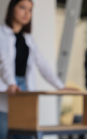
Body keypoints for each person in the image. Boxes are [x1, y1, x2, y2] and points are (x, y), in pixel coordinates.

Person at [0, 0, 69, 138]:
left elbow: (42, 64)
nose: (27, 13)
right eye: (22, 8)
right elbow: (4, 61)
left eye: (30, 10)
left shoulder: (28, 39)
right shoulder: (1, 34)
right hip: (6, 88)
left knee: (29, 133)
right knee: (4, 132)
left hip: (24, 89)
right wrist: (11, 83)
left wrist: (61, 86)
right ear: (12, 9)